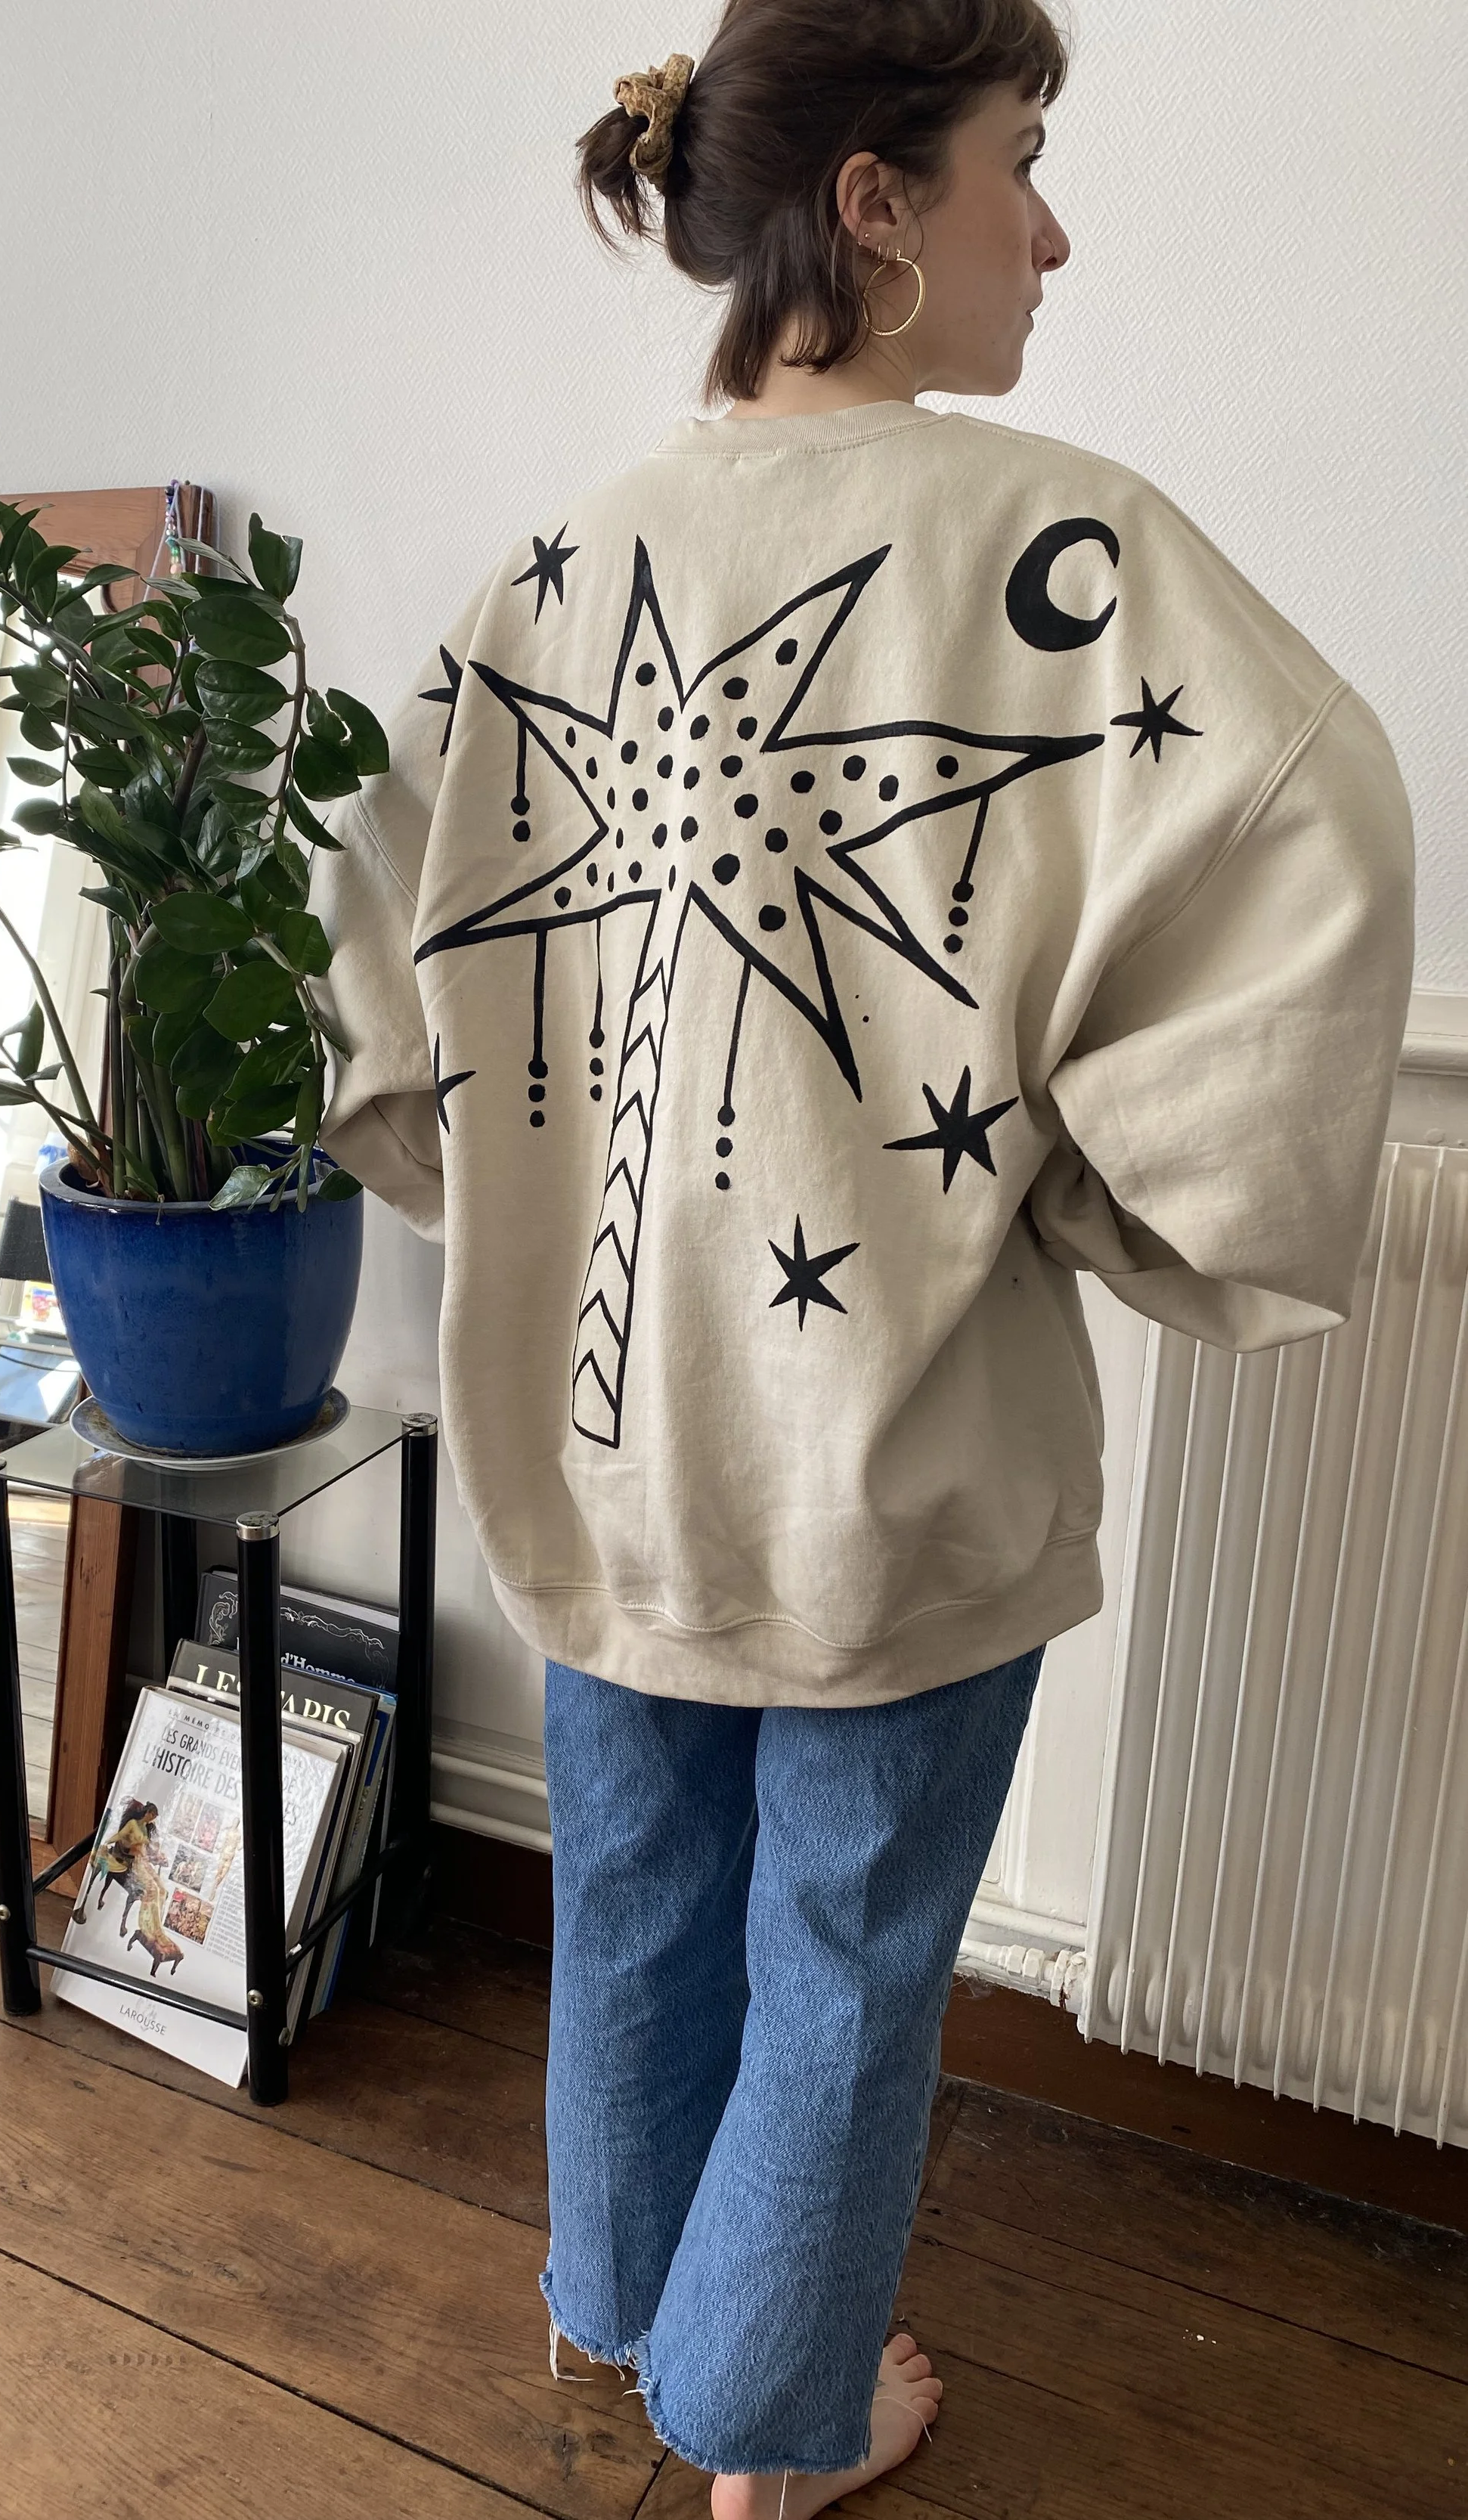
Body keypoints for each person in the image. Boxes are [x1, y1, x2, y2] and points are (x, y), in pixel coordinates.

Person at [305, 5, 1416, 2512]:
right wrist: (1090, 1174)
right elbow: (1307, 818)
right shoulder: (1074, 552)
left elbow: (377, 944)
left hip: (602, 1439)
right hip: (900, 1455)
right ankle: (767, 2437)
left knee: (631, 1892)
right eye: (1021, 159)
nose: (1055, 228)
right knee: (841, 1946)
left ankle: (619, 2317)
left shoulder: (549, 570)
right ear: (876, 203)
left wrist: (502, 1178)